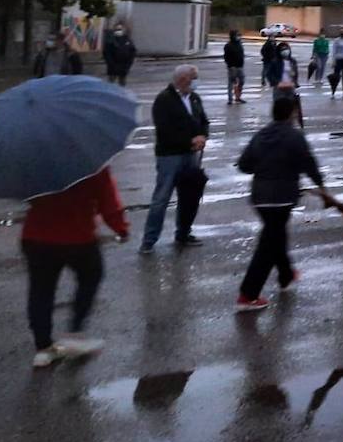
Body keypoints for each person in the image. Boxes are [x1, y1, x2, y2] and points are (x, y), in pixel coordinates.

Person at [22, 165, 129, 367]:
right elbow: (108, 201)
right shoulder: (91, 162)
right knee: (91, 277)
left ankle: (43, 349)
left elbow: (27, 197)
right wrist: (121, 229)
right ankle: (74, 331)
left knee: (41, 290)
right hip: (77, 236)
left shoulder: (33, 162)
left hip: (36, 236)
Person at [235, 94, 328, 312]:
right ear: (292, 113)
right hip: (282, 198)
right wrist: (322, 187)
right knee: (268, 245)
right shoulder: (295, 136)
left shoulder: (261, 134)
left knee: (275, 235)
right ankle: (248, 295)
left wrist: (263, 167)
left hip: (260, 196)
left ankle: (286, 275)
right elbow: (309, 163)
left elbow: (244, 165)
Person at [142, 65, 209, 252]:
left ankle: (183, 233)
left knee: (189, 196)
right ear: (181, 79)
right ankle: (149, 240)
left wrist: (203, 136)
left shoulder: (194, 98)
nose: (195, 81)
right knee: (161, 198)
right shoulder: (164, 100)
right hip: (169, 156)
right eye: (193, 78)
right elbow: (164, 131)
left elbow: (204, 121)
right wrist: (190, 141)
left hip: (191, 156)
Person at [224, 29, 247, 105]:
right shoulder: (228, 45)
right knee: (231, 83)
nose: (239, 37)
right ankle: (230, 99)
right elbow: (226, 57)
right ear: (233, 36)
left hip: (240, 66)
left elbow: (241, 55)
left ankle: (238, 97)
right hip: (232, 67)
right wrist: (230, 66)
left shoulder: (239, 44)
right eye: (237, 35)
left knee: (242, 81)